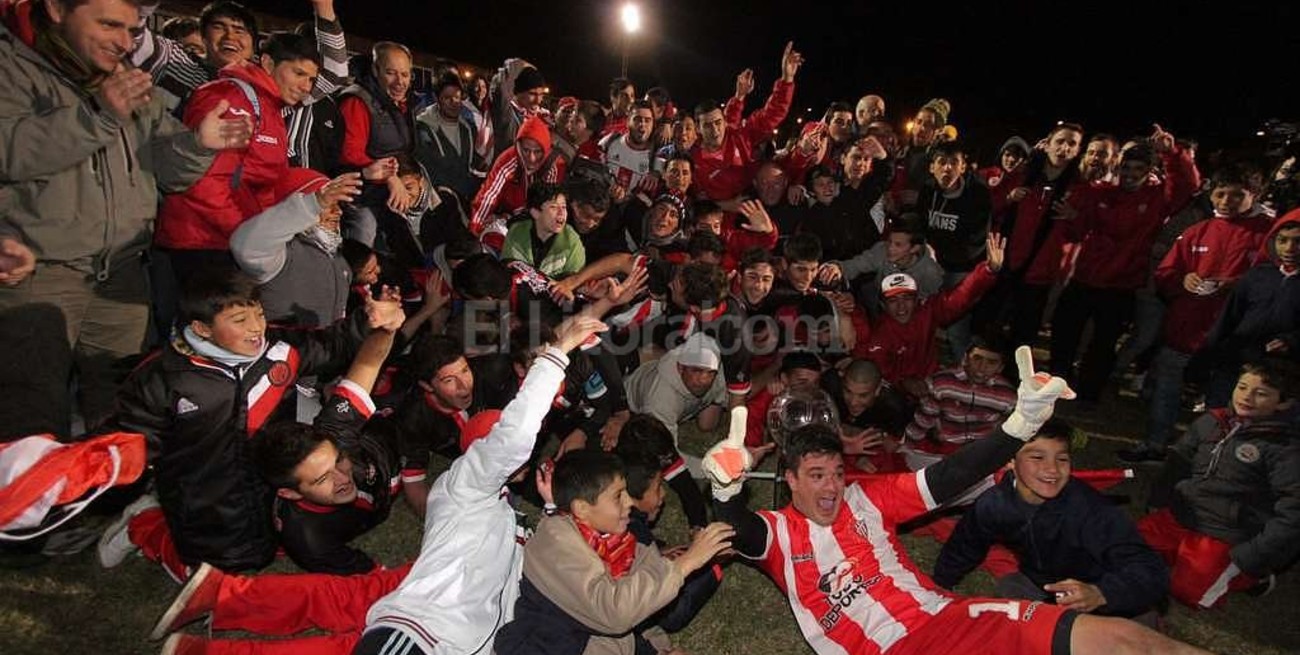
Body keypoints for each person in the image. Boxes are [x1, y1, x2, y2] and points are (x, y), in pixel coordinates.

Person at [704, 348, 1212, 655]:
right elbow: (734, 527)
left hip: (954, 619)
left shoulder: (868, 498)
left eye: (837, 472)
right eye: (816, 476)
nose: (832, 486)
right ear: (788, 480)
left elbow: (950, 478)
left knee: (1127, 641)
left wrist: (1018, 427)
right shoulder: (778, 534)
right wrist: (724, 490)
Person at [0, 0, 249, 439]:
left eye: (133, 30)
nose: (123, 41)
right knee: (30, 414)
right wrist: (97, 115)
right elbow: (10, 152)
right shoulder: (12, 66)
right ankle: (33, 505)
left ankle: (116, 499)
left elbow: (166, 171)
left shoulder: (123, 81)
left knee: (124, 406)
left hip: (122, 271)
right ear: (57, 9)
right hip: (38, 274)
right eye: (109, 24)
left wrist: (198, 144)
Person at [107, 268, 404, 578]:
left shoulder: (279, 348)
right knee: (214, 575)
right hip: (205, 500)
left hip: (265, 484)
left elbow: (332, 344)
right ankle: (143, 525)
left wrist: (371, 319)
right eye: (239, 321)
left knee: (265, 550)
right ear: (201, 328)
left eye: (259, 314)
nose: (256, 328)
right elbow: (125, 444)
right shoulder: (161, 378)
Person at [357, 317, 607, 655]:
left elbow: (536, 571)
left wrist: (551, 510)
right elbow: (515, 435)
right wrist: (557, 354)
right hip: (421, 634)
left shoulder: (504, 512)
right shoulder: (462, 485)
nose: (463, 384)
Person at [492, 450, 734, 654]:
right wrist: (686, 563)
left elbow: (640, 610)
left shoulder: (617, 541)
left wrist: (661, 651)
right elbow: (615, 612)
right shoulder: (555, 548)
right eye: (618, 496)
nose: (629, 502)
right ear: (583, 509)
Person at [933, 419, 1169, 623]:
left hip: (1105, 594)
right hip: (1042, 585)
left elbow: (1151, 570)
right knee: (1009, 602)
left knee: (1126, 633)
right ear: (1009, 461)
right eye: (1037, 457)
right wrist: (939, 588)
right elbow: (964, 547)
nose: (1052, 469)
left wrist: (1102, 593)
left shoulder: (1089, 509)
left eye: (1062, 459)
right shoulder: (994, 504)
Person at [1120, 165, 1275, 463]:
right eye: (1220, 194)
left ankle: (1206, 457)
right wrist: (1183, 279)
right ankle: (1154, 445)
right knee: (1167, 387)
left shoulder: (1268, 232)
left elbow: (1275, 280)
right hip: (1185, 329)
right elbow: (1166, 271)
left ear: (1253, 195)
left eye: (1236, 195)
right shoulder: (1198, 230)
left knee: (1219, 400)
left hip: (1232, 337)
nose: (1226, 201)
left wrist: (1232, 285)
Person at [154, 31, 323, 280]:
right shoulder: (232, 96)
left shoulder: (271, 108)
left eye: (311, 80)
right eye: (299, 74)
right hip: (202, 242)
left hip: (230, 242)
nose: (305, 87)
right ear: (267, 63)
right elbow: (207, 182)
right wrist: (247, 235)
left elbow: (264, 180)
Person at [1049, 128, 1200, 402]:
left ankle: (1087, 395)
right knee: (1064, 334)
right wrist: (1072, 217)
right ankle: (1055, 386)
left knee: (1103, 345)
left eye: (1138, 169)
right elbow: (1076, 231)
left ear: (1149, 170)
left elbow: (1188, 186)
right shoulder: (1100, 192)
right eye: (1126, 167)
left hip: (1121, 285)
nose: (1130, 174)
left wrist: (1172, 152)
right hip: (1085, 278)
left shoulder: (1156, 198)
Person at [1140, 359, 1300, 609]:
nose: (1247, 397)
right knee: (1121, 552)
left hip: (1225, 532)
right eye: (1242, 386)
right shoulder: (1212, 421)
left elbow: (1294, 510)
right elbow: (1176, 465)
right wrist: (1158, 502)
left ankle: (1253, 578)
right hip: (1182, 514)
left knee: (1189, 594)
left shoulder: (1284, 448)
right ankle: (1184, 558)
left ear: (1284, 402)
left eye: (1261, 393)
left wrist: (1252, 557)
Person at [131, 0, 349, 111]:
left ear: (254, 46)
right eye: (219, 27)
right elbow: (133, 34)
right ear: (204, 37)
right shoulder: (176, 62)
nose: (230, 36)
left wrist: (324, 6)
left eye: (239, 30)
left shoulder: (269, 89)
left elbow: (335, 75)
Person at [861, 234, 1004, 399]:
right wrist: (903, 382)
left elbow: (960, 298)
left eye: (907, 298)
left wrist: (988, 270)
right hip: (894, 394)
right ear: (883, 305)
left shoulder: (927, 312)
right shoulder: (878, 335)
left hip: (931, 385)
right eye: (893, 300)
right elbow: (877, 372)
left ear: (917, 300)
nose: (901, 306)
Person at [229, 169, 364, 327]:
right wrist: (314, 204)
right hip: (285, 348)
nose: (338, 212)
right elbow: (247, 247)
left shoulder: (339, 258)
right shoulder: (280, 253)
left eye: (338, 204)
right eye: (328, 204)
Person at [1201, 208, 1300, 407]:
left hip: (1281, 373)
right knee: (1218, 414)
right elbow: (1229, 318)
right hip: (1236, 361)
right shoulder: (1257, 276)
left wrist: (1292, 340)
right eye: (1282, 240)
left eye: (1298, 241)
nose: (1289, 248)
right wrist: (1206, 355)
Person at [691, 42, 804, 201]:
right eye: (707, 125)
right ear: (698, 128)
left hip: (751, 203)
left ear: (723, 122)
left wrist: (787, 79)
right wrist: (725, 205)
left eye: (717, 123)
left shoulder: (740, 137)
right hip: (718, 217)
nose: (715, 130)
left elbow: (772, 114)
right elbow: (697, 197)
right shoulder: (693, 160)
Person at [903, 335, 1017, 466]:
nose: (982, 367)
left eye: (991, 363)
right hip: (942, 448)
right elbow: (923, 420)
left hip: (981, 452)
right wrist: (905, 448)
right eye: (977, 358)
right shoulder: (942, 383)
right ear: (965, 359)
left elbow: (1007, 432)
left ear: (1000, 368)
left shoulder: (1007, 395)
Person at [471, 113, 567, 250]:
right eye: (526, 150)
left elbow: (547, 208)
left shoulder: (555, 165)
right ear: (518, 146)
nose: (531, 158)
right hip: (506, 217)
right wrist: (475, 230)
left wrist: (511, 219)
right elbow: (488, 195)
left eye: (538, 151)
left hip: (533, 223)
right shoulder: (509, 158)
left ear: (546, 149)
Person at [415, 72, 486, 202]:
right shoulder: (424, 128)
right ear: (437, 99)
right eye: (447, 98)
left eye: (457, 97)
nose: (454, 102)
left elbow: (469, 164)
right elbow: (429, 171)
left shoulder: (467, 128)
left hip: (464, 197)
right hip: (440, 202)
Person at [502, 183, 587, 279]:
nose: (561, 213)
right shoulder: (517, 232)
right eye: (553, 207)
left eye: (564, 207)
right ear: (535, 213)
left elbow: (575, 281)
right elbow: (508, 268)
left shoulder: (571, 240)